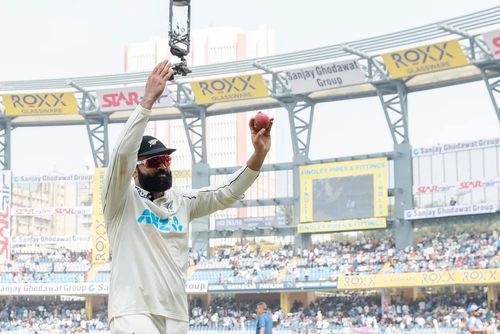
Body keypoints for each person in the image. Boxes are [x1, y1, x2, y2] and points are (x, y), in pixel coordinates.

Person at [101, 59, 274, 334]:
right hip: (133, 311)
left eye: (166, 161)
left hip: (175, 314)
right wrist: (147, 100)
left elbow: (227, 193)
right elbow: (122, 154)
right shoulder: (119, 202)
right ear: (134, 171)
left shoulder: (182, 201)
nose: (162, 166)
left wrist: (259, 154)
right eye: (153, 161)